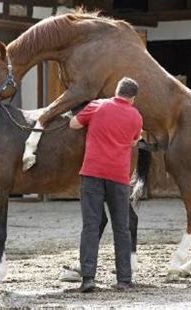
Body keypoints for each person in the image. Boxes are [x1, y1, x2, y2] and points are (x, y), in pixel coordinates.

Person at [69, 77, 143, 292]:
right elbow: (133, 141)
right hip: (119, 177)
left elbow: (73, 124)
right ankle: (124, 279)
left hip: (92, 172)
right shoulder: (136, 116)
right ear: (133, 98)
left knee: (90, 226)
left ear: (116, 91)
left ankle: (88, 278)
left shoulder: (98, 105)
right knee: (121, 228)